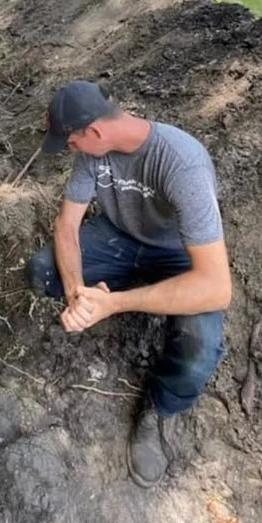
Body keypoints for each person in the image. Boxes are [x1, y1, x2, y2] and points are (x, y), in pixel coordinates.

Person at [29, 80, 231, 488]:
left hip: (177, 252)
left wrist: (114, 303)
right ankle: (99, 291)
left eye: (70, 142)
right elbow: (66, 226)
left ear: (95, 132)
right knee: (42, 271)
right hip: (118, 235)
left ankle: (162, 409)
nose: (69, 150)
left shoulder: (181, 163)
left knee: (196, 352)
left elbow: (216, 287)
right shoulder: (93, 152)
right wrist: (78, 294)